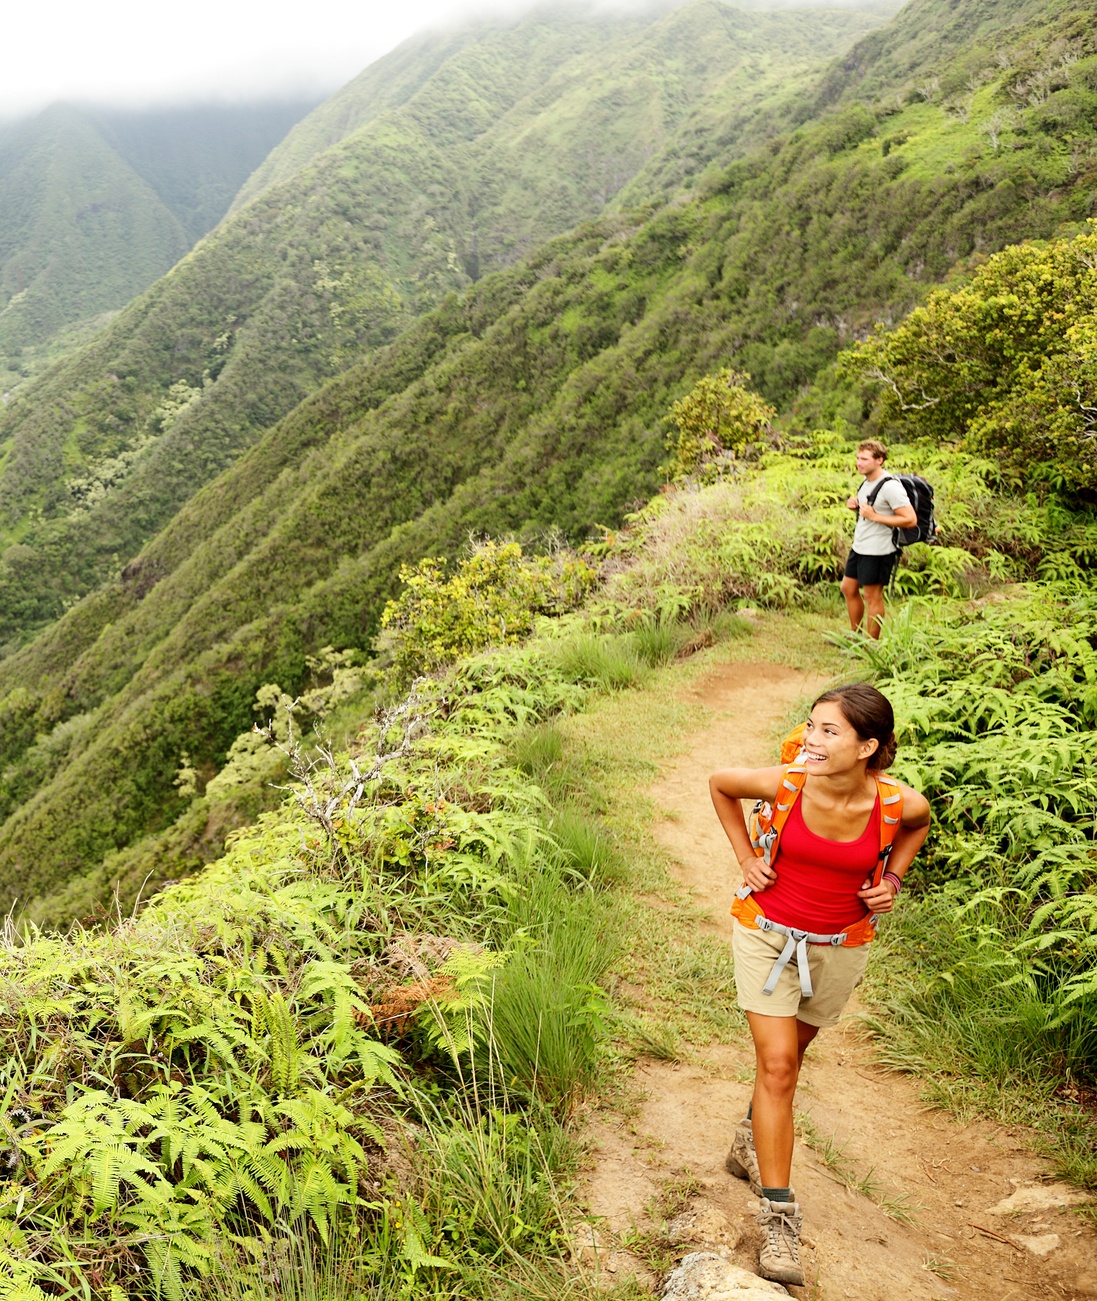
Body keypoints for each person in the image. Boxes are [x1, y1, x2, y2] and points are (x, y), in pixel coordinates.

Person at [708, 684, 931, 1286]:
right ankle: (780, 1215)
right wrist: (744, 859)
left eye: (830, 732)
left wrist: (894, 880)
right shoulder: (786, 783)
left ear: (869, 747)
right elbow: (721, 784)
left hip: (839, 948)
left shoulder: (892, 804)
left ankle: (749, 1138)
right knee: (778, 1065)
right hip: (766, 935)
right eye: (811, 726)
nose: (812, 740)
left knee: (791, 1058)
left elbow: (921, 820)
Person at [840, 440, 917, 639]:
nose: (859, 463)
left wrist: (875, 516)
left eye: (864, 459)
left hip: (879, 550)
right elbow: (871, 509)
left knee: (872, 597)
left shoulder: (890, 486)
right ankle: (855, 636)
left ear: (879, 460)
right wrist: (856, 506)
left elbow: (910, 519)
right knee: (848, 588)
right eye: (858, 458)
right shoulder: (866, 482)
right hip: (861, 546)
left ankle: (871, 644)